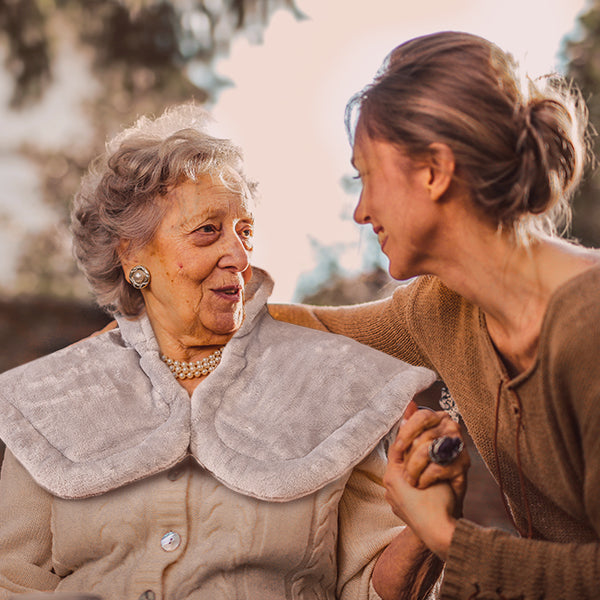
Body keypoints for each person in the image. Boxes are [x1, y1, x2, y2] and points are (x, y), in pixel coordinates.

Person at [0, 104, 445, 600]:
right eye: (208, 230)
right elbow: (15, 582)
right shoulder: (49, 399)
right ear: (132, 255)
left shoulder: (334, 386)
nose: (238, 257)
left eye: (245, 232)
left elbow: (369, 588)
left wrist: (426, 531)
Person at [270, 31, 600, 599]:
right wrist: (157, 321)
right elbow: (315, 332)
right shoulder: (443, 309)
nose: (360, 210)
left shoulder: (589, 328)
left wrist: (444, 534)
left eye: (366, 175)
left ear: (434, 171)